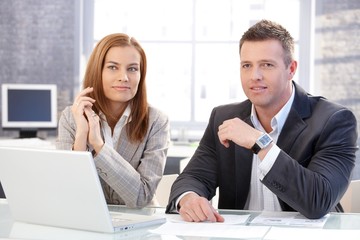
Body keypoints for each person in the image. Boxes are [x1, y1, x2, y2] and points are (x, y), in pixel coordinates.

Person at [165, 19, 358, 221]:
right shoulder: (223, 118)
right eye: (246, 65)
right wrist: (189, 198)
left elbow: (319, 200)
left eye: (266, 65)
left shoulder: (334, 120)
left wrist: (261, 143)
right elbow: (192, 178)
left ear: (291, 69)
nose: (254, 75)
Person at [56, 33, 170, 208]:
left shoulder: (156, 121)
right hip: (88, 220)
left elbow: (141, 196)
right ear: (97, 71)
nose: (124, 77)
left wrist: (98, 145)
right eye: (113, 67)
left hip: (138, 224)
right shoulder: (71, 117)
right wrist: (81, 137)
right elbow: (66, 190)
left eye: (132, 69)